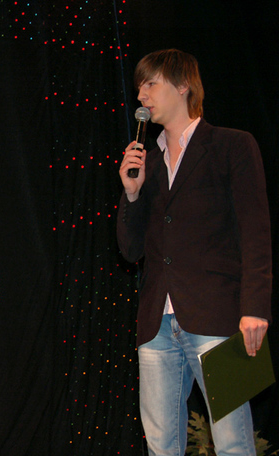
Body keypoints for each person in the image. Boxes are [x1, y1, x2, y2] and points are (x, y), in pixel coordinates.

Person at [117, 49, 272, 455]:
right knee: (160, 445)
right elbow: (130, 251)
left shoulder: (232, 145)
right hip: (157, 323)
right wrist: (131, 194)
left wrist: (255, 307)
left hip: (219, 316)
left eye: (151, 84)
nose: (142, 95)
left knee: (234, 442)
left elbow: (256, 232)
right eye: (139, 87)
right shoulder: (148, 162)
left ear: (183, 85)